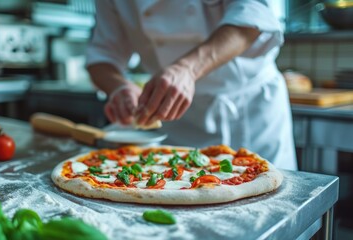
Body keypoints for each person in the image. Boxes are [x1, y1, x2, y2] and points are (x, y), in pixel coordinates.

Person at [86, 0, 297, 170]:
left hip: (246, 111)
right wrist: (118, 87)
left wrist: (186, 69)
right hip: (170, 114)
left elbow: (253, 15)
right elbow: (102, 54)